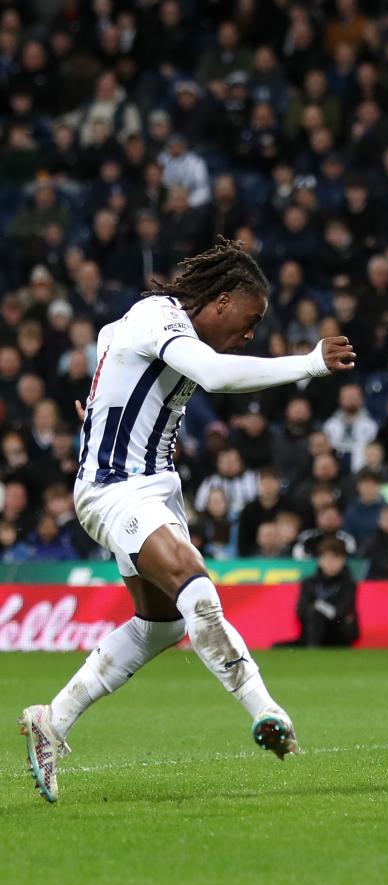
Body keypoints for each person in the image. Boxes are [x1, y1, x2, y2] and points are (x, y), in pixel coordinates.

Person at [19, 238, 356, 804]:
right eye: (249, 319)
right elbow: (215, 375)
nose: (249, 334)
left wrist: (99, 407)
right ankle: (266, 711)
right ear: (221, 301)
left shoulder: (145, 328)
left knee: (161, 625)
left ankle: (51, 720)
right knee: (195, 587)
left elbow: (107, 343)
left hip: (158, 489)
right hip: (115, 491)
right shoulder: (160, 316)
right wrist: (310, 363)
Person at [291, 536, 359, 647]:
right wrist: (318, 610)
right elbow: (301, 611)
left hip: (338, 635)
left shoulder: (348, 584)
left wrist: (318, 606)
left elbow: (340, 612)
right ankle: (312, 647)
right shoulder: (309, 583)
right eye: (326, 558)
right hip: (311, 633)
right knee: (277, 647)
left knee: (315, 612)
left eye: (335, 558)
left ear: (343, 560)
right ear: (320, 561)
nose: (330, 563)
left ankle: (313, 649)